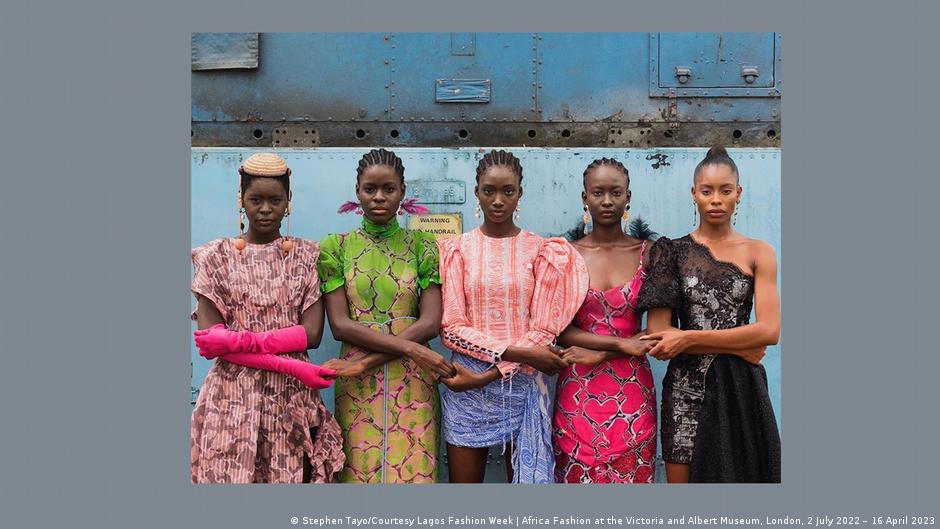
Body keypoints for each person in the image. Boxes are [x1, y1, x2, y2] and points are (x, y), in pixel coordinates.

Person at [190, 152, 344, 483]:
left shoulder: (307, 256)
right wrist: (290, 362)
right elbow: (209, 343)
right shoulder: (214, 257)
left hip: (290, 399)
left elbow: (312, 334)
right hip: (231, 399)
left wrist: (238, 339)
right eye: (255, 199)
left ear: (288, 200)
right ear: (240, 199)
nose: (265, 209)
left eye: (275, 200)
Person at [437, 149, 589, 483]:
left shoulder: (543, 250)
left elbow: (544, 327)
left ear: (520, 193)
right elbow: (452, 328)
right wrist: (514, 356)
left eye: (508, 191)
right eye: (489, 190)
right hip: (466, 383)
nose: (498, 200)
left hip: (524, 384)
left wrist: (493, 372)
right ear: (477, 191)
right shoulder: (456, 249)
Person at [636, 146, 781, 483]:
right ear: (694, 194)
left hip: (742, 388)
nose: (716, 199)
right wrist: (741, 343)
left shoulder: (760, 252)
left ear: (738, 194)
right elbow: (659, 337)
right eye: (707, 191)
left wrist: (687, 337)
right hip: (687, 393)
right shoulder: (669, 251)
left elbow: (770, 332)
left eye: (725, 191)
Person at [317, 148, 454, 484]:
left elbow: (430, 322)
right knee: (359, 470)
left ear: (402, 193)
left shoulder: (422, 245)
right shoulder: (336, 247)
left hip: (411, 382)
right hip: (358, 381)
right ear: (357, 192)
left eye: (388, 189)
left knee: (414, 471)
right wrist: (411, 348)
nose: (379, 197)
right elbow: (340, 325)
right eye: (370, 189)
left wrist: (367, 361)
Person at [552, 158, 658, 484]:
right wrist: (618, 343)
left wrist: (602, 353)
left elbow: (657, 334)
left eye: (615, 192)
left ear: (629, 197)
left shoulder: (650, 253)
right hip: (577, 392)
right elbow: (560, 329)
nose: (607, 201)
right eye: (598, 193)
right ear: (585, 197)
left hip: (633, 394)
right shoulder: (566, 254)